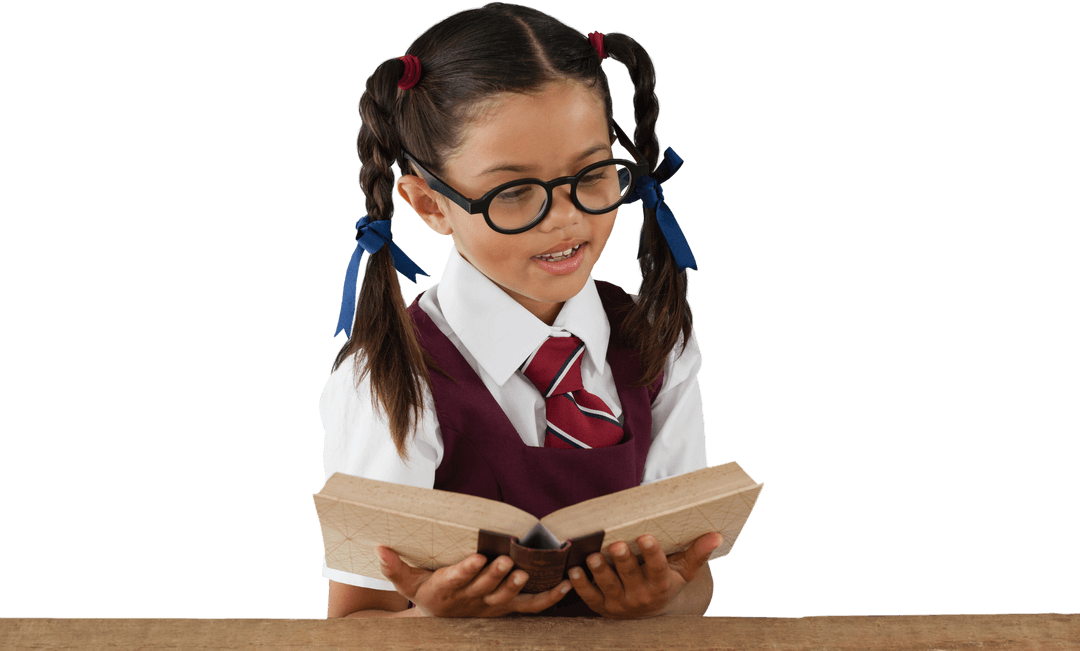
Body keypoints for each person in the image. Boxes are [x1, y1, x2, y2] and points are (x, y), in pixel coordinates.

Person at [320, 2, 721, 619]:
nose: (566, 217)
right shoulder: (390, 377)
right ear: (430, 205)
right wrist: (432, 622)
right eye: (513, 191)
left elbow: (693, 578)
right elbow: (354, 620)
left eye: (593, 173)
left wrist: (661, 599)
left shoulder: (659, 340)